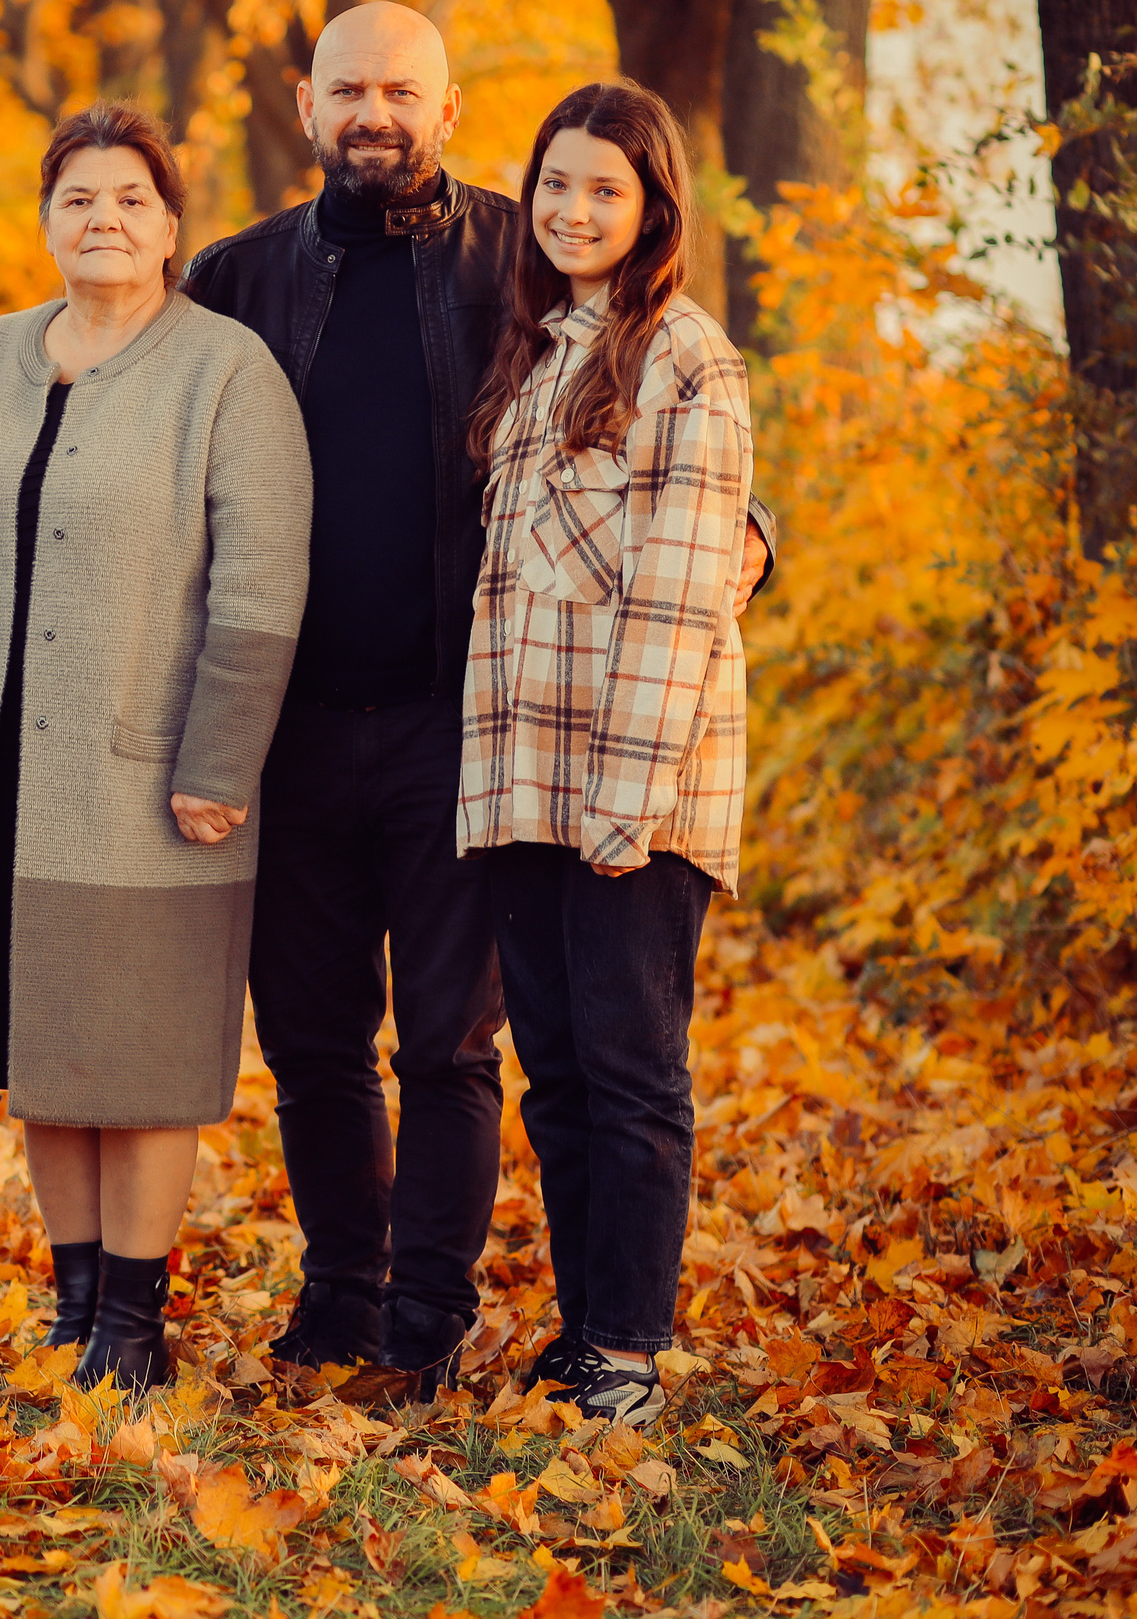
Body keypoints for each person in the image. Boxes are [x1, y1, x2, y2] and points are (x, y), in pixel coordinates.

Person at [185, 4, 773, 1397]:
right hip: (295, 729)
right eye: (348, 88)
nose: (373, 111)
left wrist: (757, 535)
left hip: (463, 733)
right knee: (316, 1039)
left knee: (455, 1043)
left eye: (403, 89)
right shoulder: (235, 277)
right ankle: (345, 1296)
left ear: (447, 111)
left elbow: (679, 444)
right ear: (305, 104)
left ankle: (435, 1318)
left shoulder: (526, 252)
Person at [0, 102, 312, 1391]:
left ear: (170, 225)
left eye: (130, 199)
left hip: (150, 778)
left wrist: (220, 760)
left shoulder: (226, 372)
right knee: (44, 1050)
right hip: (4, 776)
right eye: (78, 198)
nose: (103, 219)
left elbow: (262, 582)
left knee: (139, 1057)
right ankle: (76, 1306)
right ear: (45, 220)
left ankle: (134, 1329)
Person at [458, 82, 751, 1427]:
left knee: (632, 1074)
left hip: (634, 786)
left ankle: (628, 1352)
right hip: (522, 779)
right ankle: (584, 1336)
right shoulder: (534, 355)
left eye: (605, 190)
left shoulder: (687, 359)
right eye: (556, 184)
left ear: (653, 208)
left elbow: (682, 596)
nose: (573, 210)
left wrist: (623, 805)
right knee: (559, 1074)